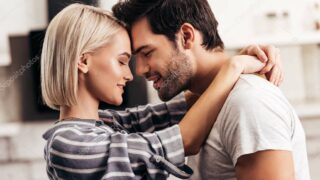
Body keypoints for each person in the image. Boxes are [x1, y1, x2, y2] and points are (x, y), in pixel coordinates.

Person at [41, 3, 283, 180]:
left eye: (144, 54)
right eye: (123, 60)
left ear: (187, 37)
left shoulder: (107, 123)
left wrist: (238, 63)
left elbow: (177, 109)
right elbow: (184, 139)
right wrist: (233, 66)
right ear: (83, 61)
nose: (132, 73)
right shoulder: (66, 142)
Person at [112, 0, 310, 179]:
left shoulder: (249, 101)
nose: (139, 70)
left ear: (186, 37)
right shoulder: (203, 102)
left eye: (147, 53)